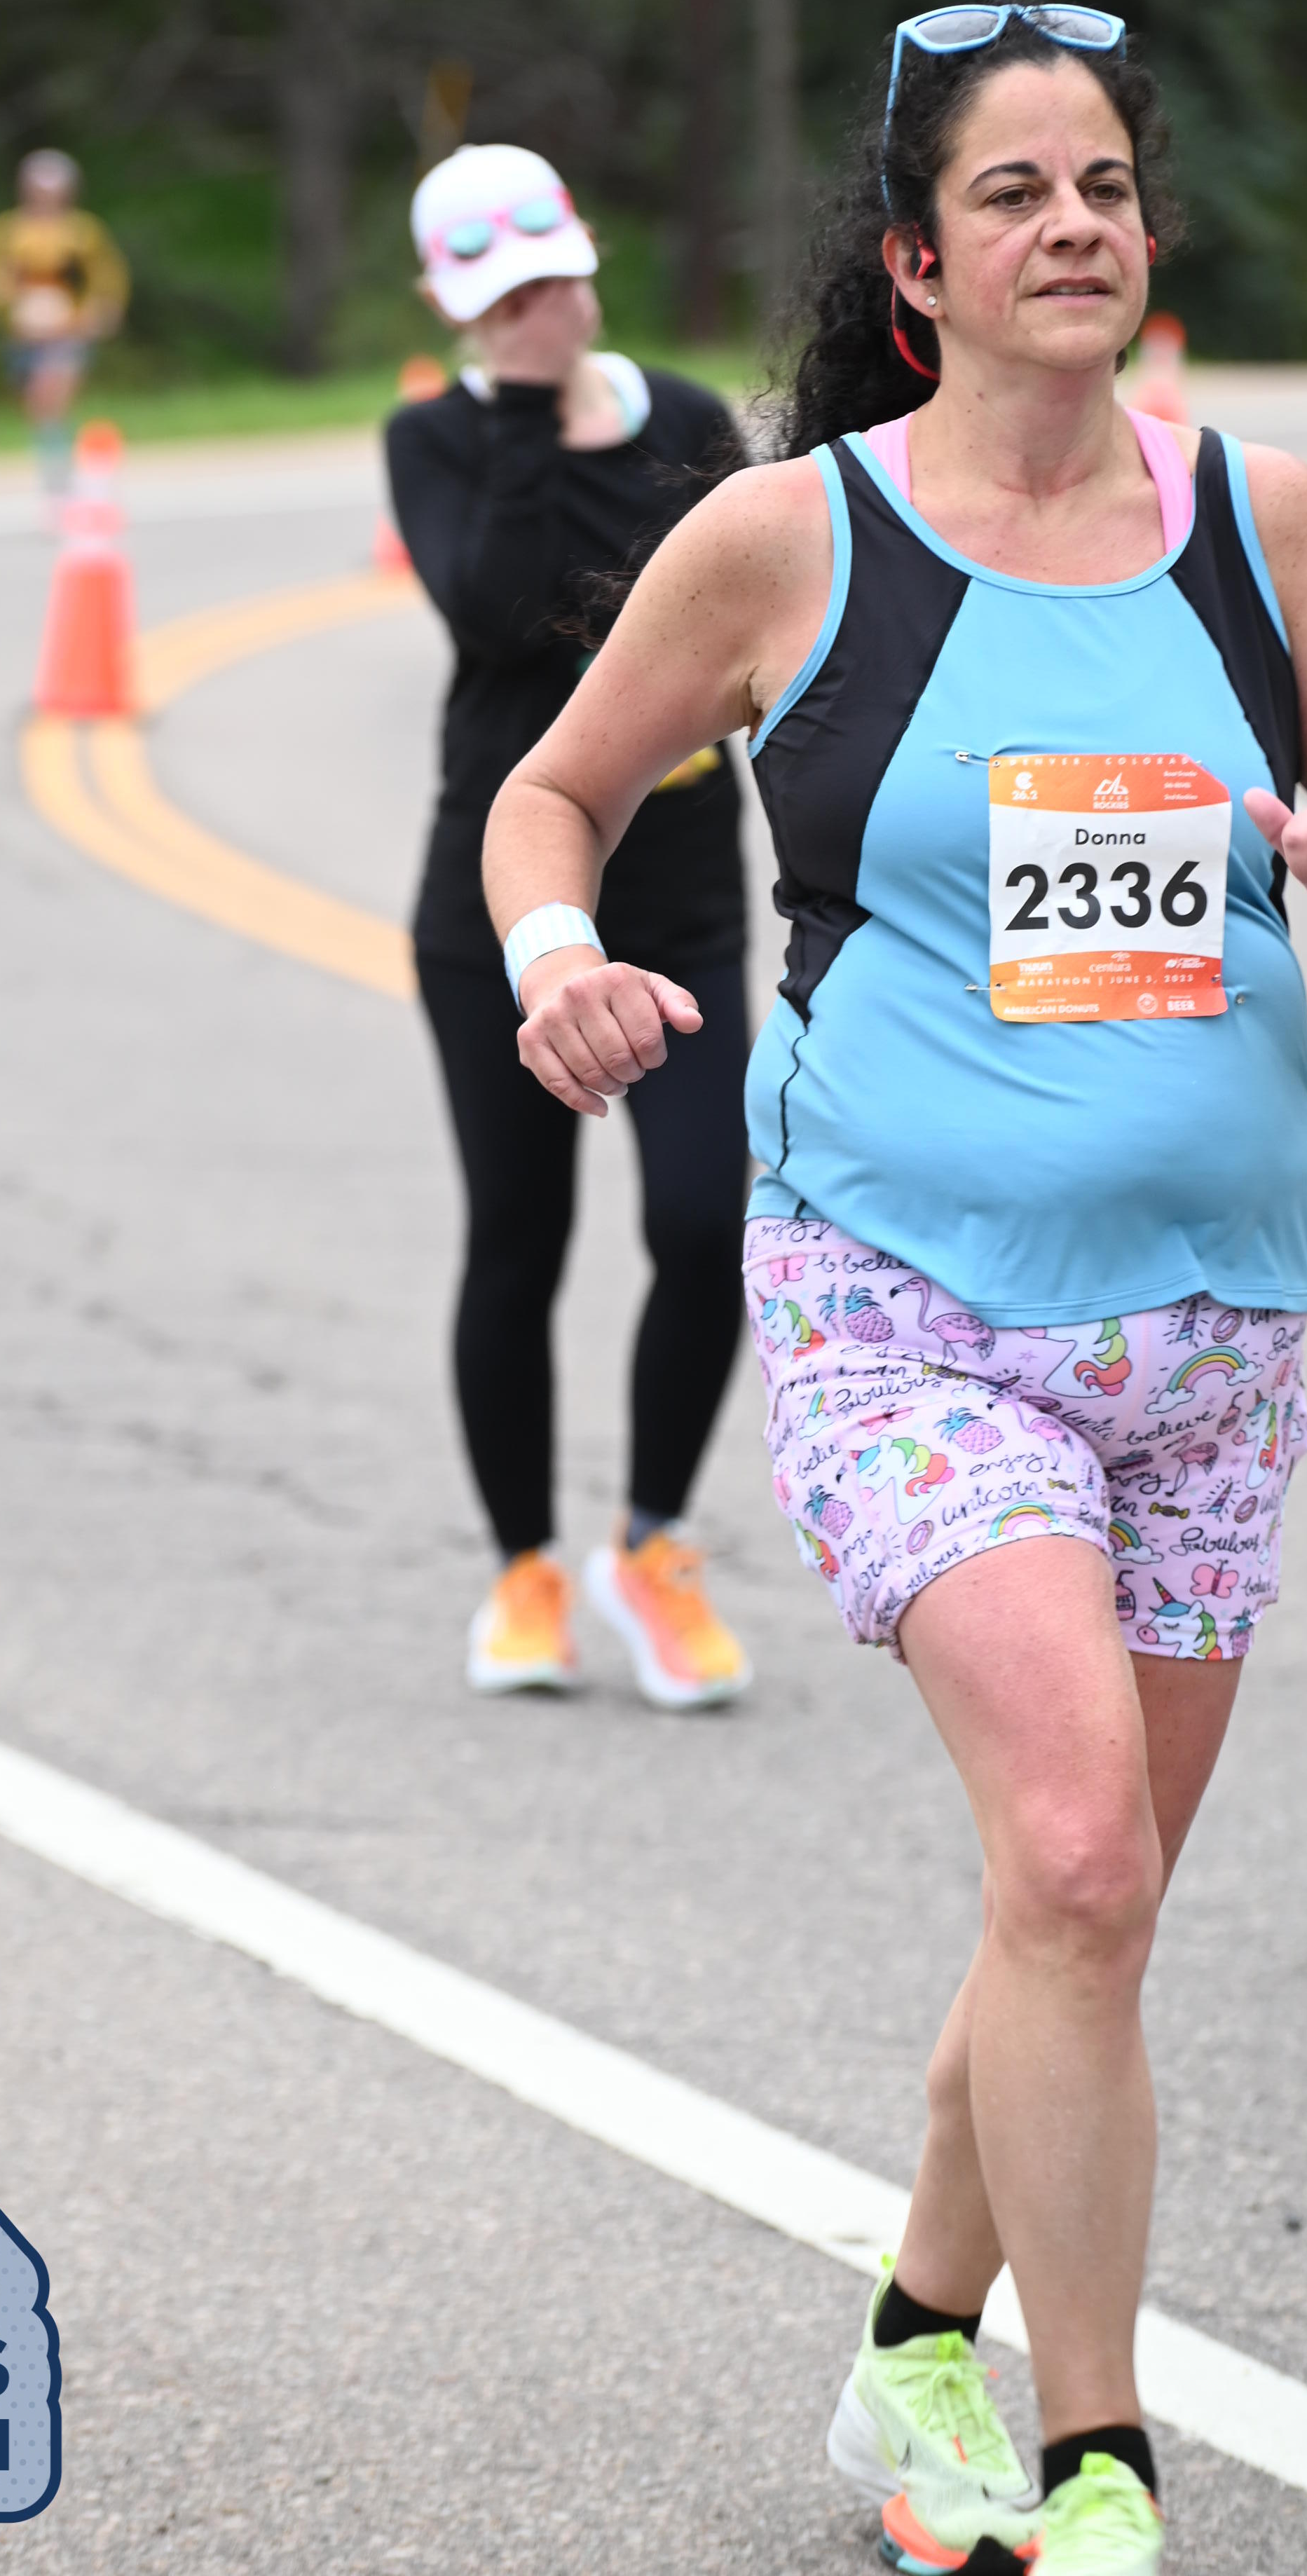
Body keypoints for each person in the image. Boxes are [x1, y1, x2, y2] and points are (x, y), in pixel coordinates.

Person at [481, 5, 1307, 2570]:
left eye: (1107, 187)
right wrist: (551, 960)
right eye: (1017, 191)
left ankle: (913, 2342)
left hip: (1211, 1330)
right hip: (905, 1297)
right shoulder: (791, 539)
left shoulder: (1260, 518)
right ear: (912, 265)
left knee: (1085, 1902)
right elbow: (555, 791)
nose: (1076, 225)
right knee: (1073, 1848)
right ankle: (1101, 2460)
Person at [387, 140, 754, 1710]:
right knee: (516, 1240)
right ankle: (522, 1568)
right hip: (501, 906)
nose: (531, 312)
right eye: (498, 300)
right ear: (452, 308)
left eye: (545, 280)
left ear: (584, 255)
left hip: (682, 898)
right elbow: (492, 612)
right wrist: (525, 415)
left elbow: (755, 626)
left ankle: (651, 1542)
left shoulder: (688, 423)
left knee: (704, 1221)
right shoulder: (436, 439)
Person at [0, 151, 129, 491]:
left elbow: (107, 277)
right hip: (23, 335)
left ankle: (61, 475)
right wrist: (4, 295)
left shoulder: (82, 231)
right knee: (39, 409)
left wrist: (103, 310)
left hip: (69, 330)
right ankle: (58, 459)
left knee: (51, 395)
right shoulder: (8, 230)